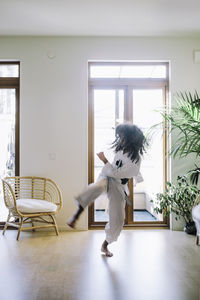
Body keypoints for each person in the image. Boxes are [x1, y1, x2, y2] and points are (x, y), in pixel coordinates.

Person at [67, 123, 146, 257]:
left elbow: (118, 174)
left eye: (122, 137)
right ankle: (75, 216)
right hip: (107, 177)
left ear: (131, 138)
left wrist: (104, 160)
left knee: (118, 220)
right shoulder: (120, 151)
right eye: (119, 137)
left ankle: (105, 245)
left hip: (118, 184)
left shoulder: (136, 159)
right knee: (96, 187)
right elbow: (112, 170)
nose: (120, 140)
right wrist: (106, 163)